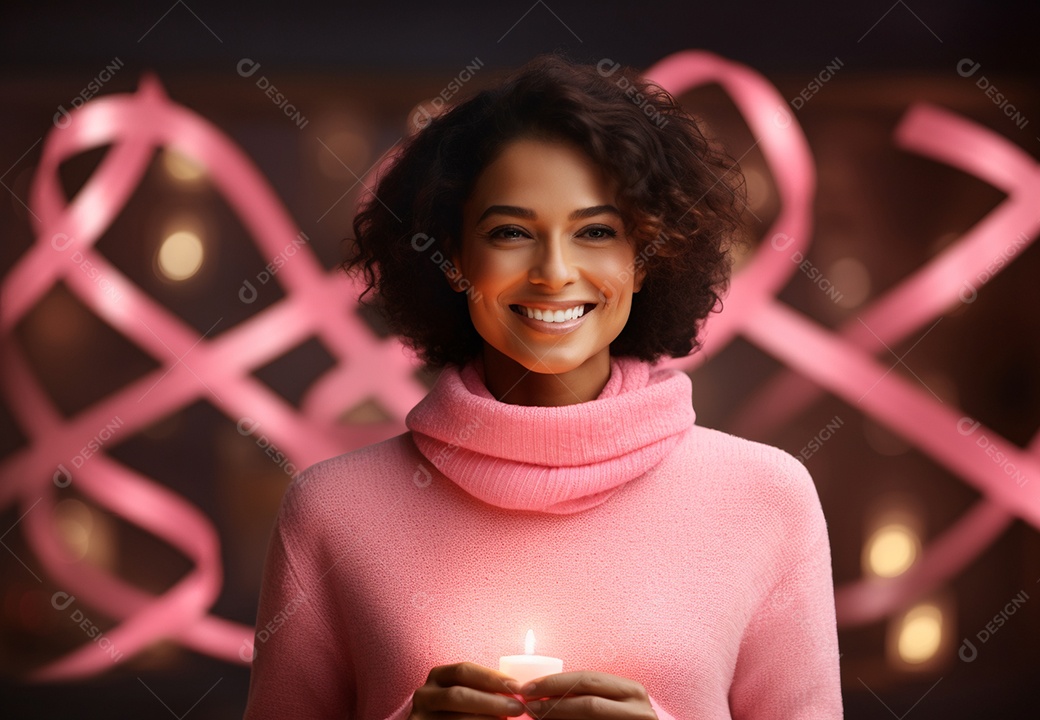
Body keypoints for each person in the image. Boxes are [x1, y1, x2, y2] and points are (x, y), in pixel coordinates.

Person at [243, 50, 842, 720]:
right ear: (452, 257)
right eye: (510, 232)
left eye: (595, 232)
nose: (554, 272)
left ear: (647, 256)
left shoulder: (767, 499)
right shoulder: (331, 510)